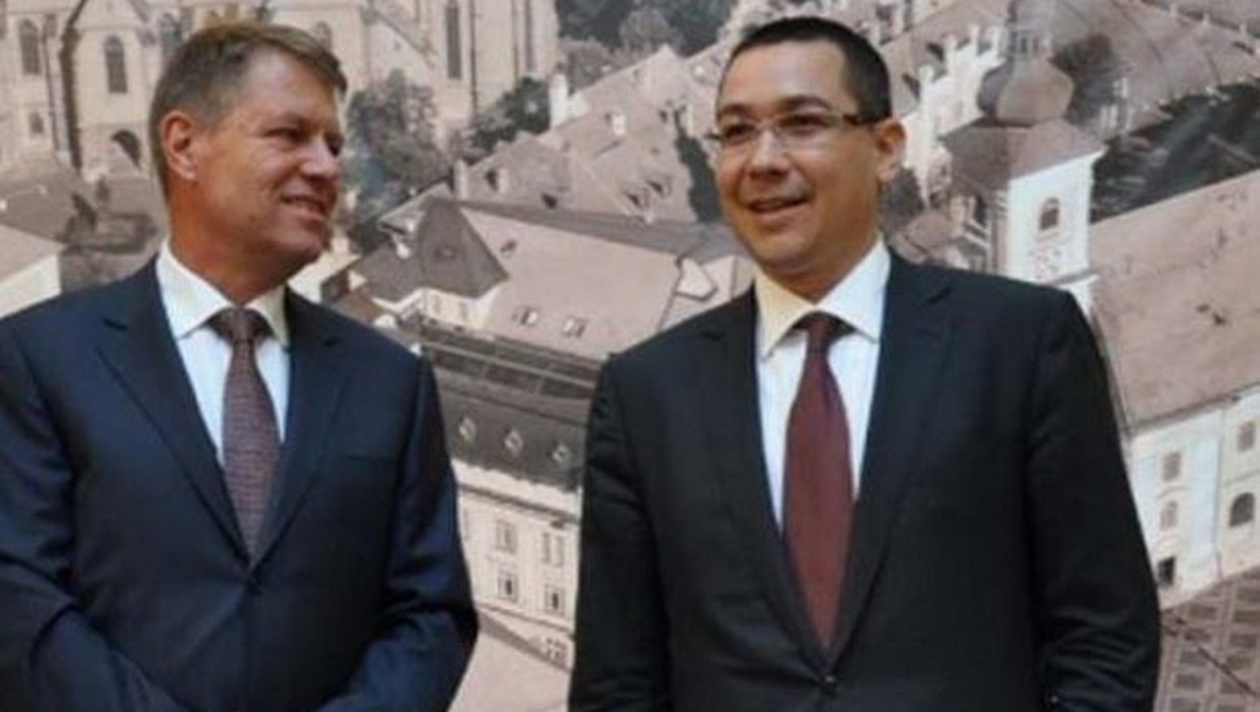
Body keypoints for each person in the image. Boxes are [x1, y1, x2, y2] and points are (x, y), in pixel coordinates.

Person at [569, 16, 1159, 712]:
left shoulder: (1021, 344)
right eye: (735, 132)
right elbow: (616, 684)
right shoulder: (646, 394)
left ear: (885, 149)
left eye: (801, 123)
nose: (763, 160)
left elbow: (1106, 636)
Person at [0, 21, 476, 712]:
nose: (326, 167)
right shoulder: (39, 360)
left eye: (333, 145)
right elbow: (19, 600)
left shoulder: (390, 382)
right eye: (289, 134)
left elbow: (431, 614)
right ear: (184, 146)